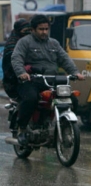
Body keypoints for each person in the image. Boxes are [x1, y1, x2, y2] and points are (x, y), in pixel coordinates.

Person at [11, 14, 84, 146]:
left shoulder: (54, 43)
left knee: (72, 99)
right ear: (33, 29)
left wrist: (75, 72)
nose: (44, 32)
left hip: (52, 80)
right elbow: (16, 58)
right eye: (41, 29)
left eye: (46, 29)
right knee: (31, 98)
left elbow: (65, 59)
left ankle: (64, 126)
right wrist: (22, 73)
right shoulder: (25, 42)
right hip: (31, 81)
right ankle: (22, 129)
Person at [2, 18, 31, 98]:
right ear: (18, 30)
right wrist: (22, 71)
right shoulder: (12, 44)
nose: (28, 33)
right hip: (14, 81)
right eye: (25, 30)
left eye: (29, 30)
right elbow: (12, 63)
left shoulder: (29, 42)